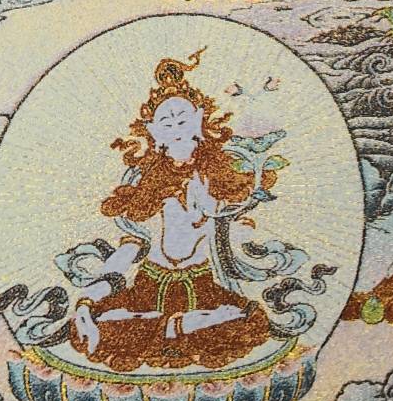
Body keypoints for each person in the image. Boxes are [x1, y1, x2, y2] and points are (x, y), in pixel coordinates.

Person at [67, 52, 274, 372]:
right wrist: (86, 301)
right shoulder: (149, 183)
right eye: (167, 122)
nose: (176, 127)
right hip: (148, 289)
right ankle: (177, 325)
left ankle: (177, 325)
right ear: (153, 131)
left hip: (201, 287)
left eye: (183, 119)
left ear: (200, 119)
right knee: (104, 325)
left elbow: (230, 224)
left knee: (246, 321)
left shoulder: (217, 177)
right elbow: (130, 247)